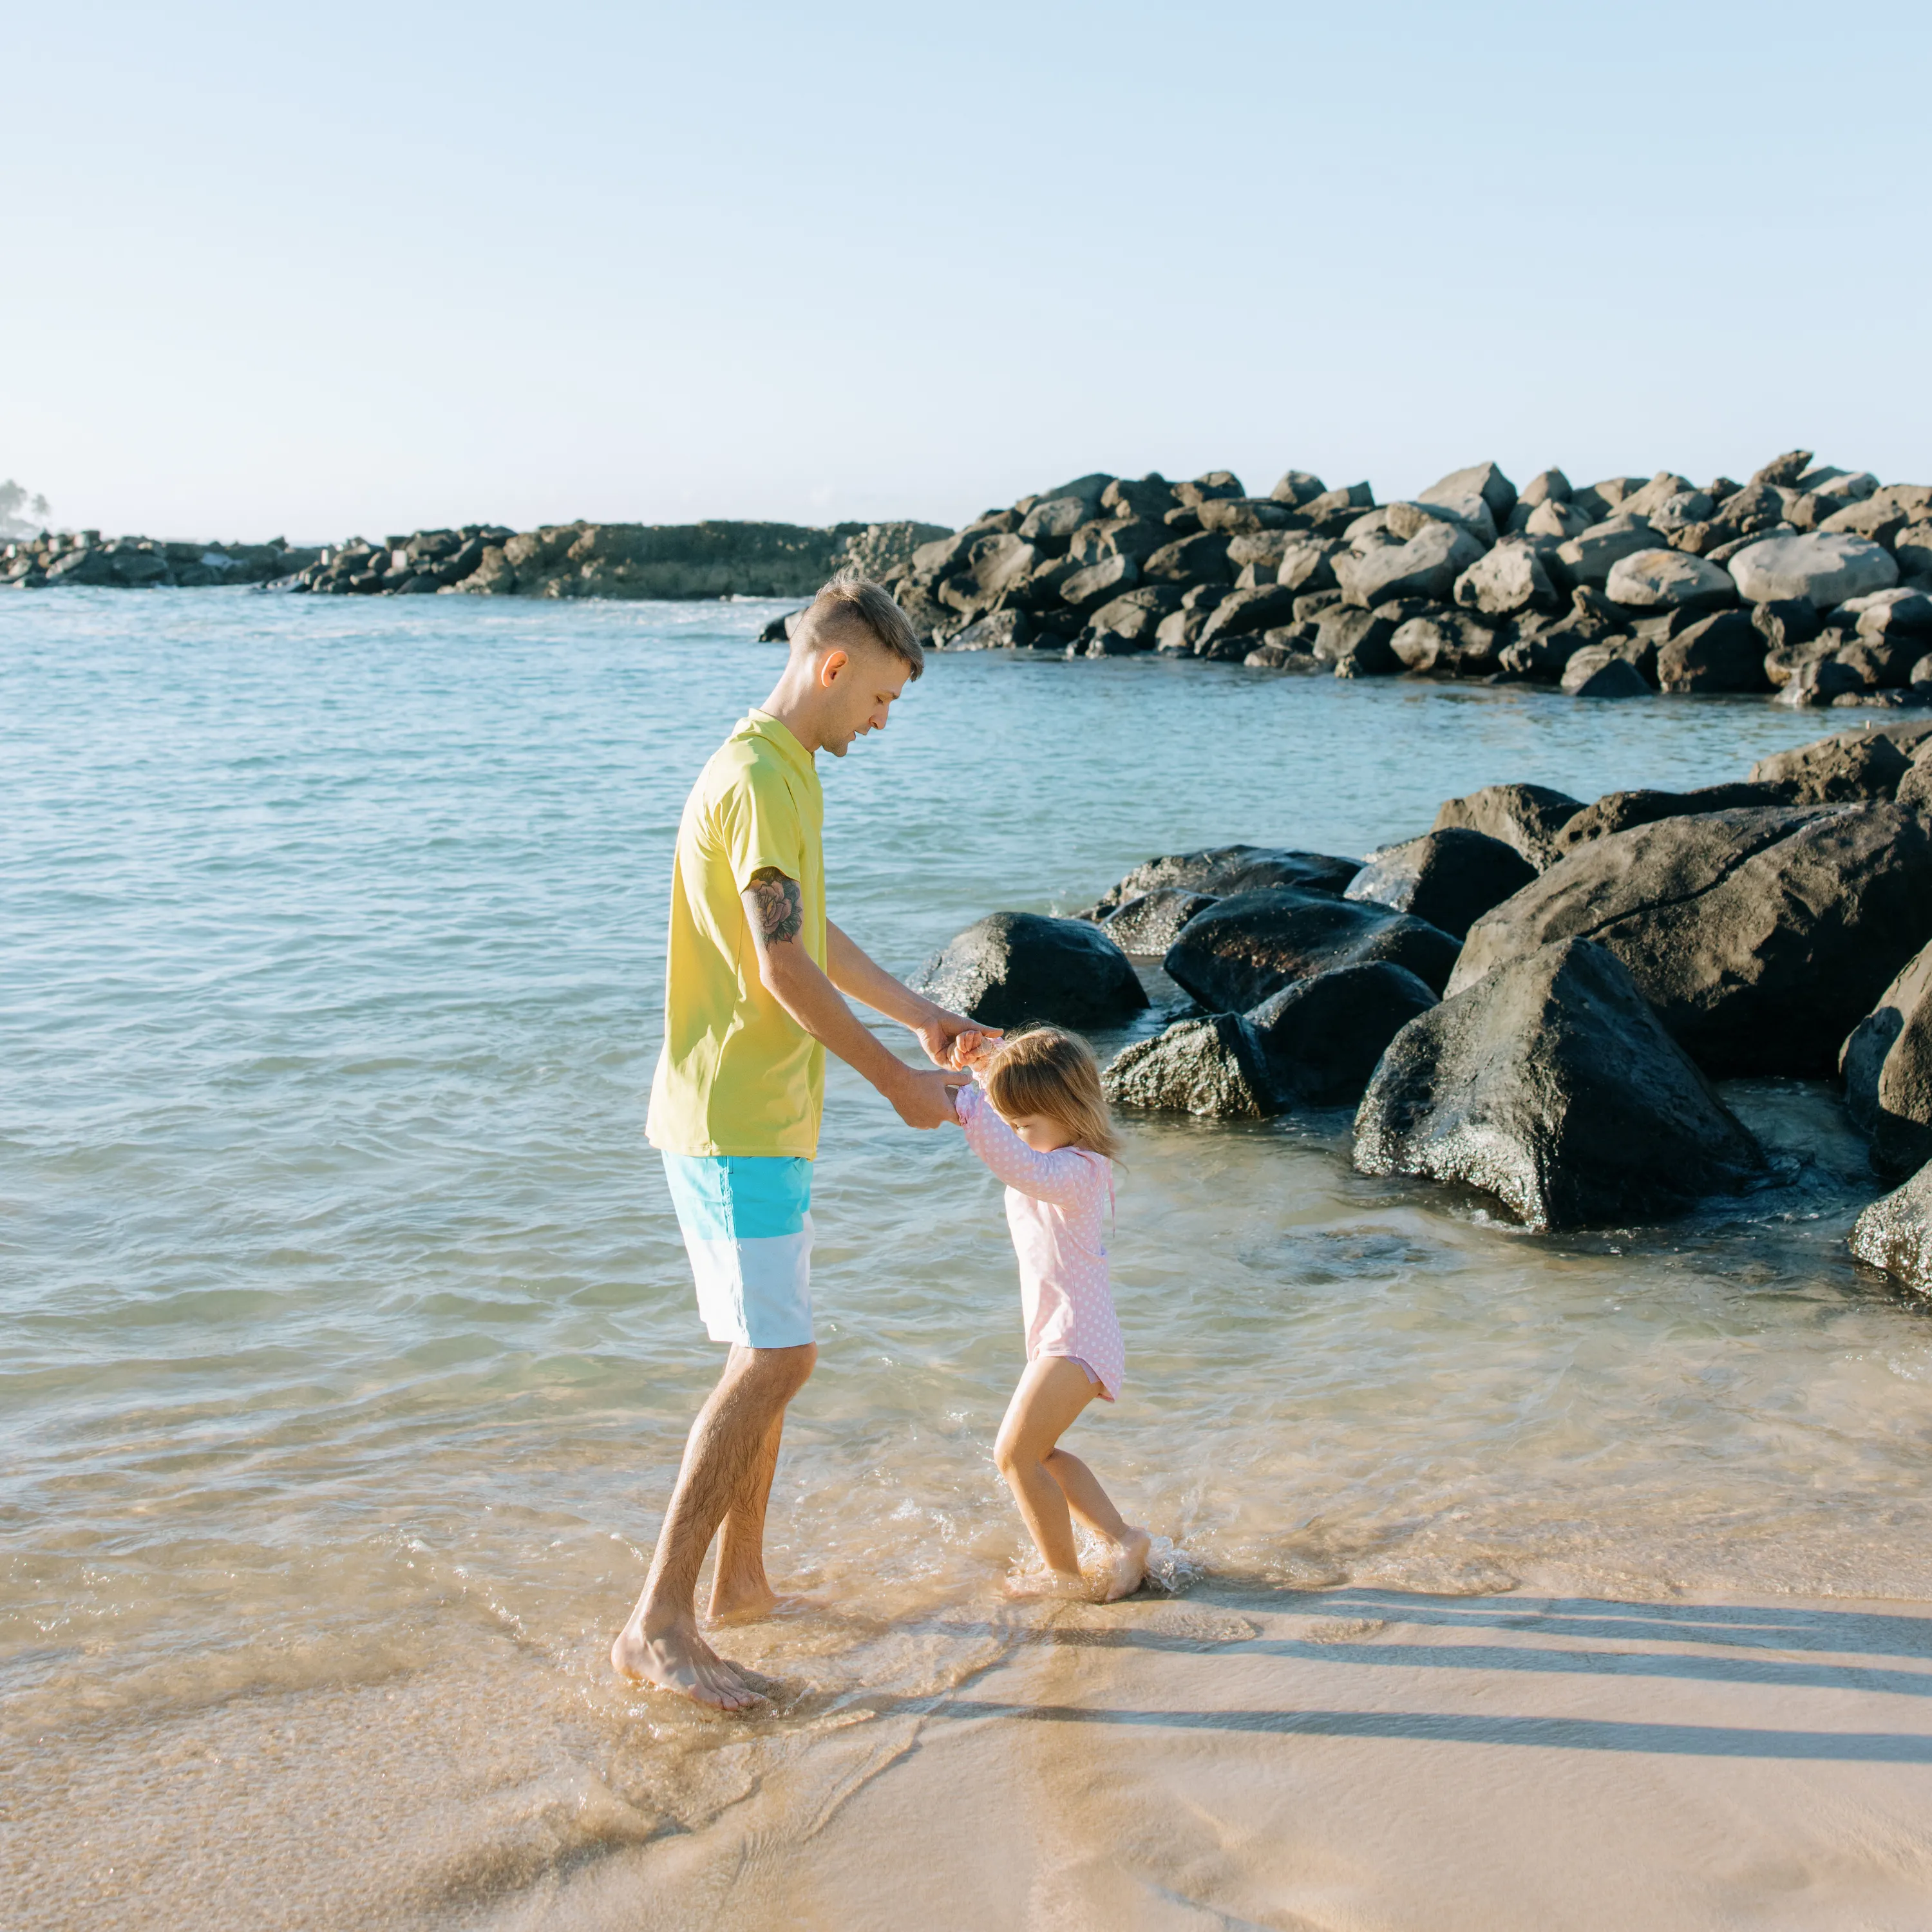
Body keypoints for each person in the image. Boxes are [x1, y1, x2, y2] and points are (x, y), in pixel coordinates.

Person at [612, 573, 988, 1712]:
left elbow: (807, 929)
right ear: (833, 669)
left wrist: (918, 1011)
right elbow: (777, 966)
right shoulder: (760, 779)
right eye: (879, 699)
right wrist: (895, 1084)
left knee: (769, 1352)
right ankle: (658, 1625)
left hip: (761, 1116)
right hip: (733, 1118)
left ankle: (742, 1587)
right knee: (777, 1359)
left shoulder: (779, 773)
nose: (881, 723)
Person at [949, 1025, 1150, 1602]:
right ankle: (1125, 1539)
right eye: (1011, 1124)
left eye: (1024, 1126)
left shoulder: (1078, 1172)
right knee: (1040, 1455)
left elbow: (1018, 1165)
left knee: (1014, 1455)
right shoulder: (1057, 1154)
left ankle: (1061, 1576)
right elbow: (1018, 1131)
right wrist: (981, 1072)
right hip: (1065, 1336)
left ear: (1066, 1111)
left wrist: (967, 1106)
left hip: (1077, 1338)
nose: (1016, 1136)